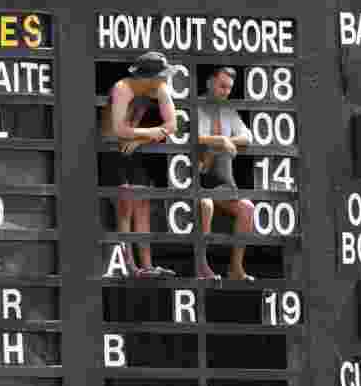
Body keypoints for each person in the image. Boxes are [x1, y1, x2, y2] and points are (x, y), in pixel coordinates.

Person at [101, 51, 178, 279]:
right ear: (148, 77)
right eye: (161, 76)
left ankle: (147, 265)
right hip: (110, 149)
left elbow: (173, 124)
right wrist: (153, 132)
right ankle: (130, 266)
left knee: (143, 201)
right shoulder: (122, 88)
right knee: (126, 200)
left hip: (132, 148)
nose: (165, 80)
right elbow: (118, 130)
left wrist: (141, 138)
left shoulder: (160, 89)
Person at [196, 67, 256, 281]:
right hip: (196, 180)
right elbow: (195, 138)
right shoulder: (195, 106)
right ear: (209, 83)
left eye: (229, 88)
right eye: (222, 86)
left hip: (222, 185)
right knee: (206, 205)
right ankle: (201, 266)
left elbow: (247, 136)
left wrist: (227, 141)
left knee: (248, 208)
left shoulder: (228, 110)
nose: (225, 92)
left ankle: (236, 269)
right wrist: (220, 140)